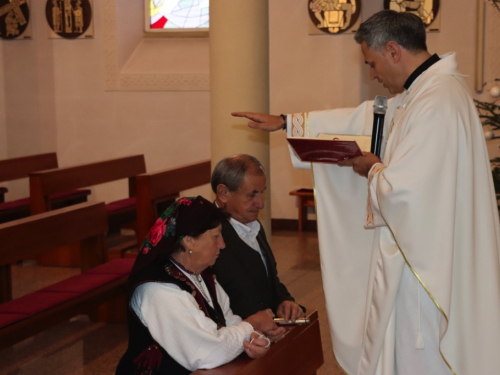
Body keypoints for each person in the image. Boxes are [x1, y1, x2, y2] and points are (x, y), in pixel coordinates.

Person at [231, 10, 500, 375]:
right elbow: (370, 118)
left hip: (426, 263)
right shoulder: (423, 94)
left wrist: (372, 169)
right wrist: (286, 123)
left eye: (371, 64)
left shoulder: (438, 101)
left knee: (419, 350)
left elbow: (410, 192)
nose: (372, 74)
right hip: (421, 250)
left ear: (393, 50)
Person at [116, 196, 279, 375]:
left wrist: (253, 339)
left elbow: (228, 322)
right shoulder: (158, 290)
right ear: (189, 241)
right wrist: (252, 324)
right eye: (216, 236)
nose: (223, 244)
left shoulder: (202, 275)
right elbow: (206, 353)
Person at [211, 155, 305, 333]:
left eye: (262, 193)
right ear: (224, 193)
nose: (261, 204)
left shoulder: (253, 225)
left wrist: (284, 301)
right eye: (251, 194)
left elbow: (269, 279)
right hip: (236, 338)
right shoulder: (206, 235)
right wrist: (251, 328)